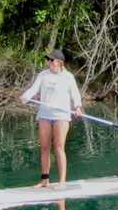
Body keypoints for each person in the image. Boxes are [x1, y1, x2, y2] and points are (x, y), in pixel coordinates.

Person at [19, 49, 83, 188]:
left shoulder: (68, 77)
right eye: (48, 60)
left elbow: (75, 94)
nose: (49, 62)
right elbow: (33, 89)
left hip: (61, 116)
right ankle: (44, 180)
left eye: (52, 60)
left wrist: (77, 107)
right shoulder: (43, 75)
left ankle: (62, 182)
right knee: (44, 148)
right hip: (45, 115)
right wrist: (26, 96)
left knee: (59, 147)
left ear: (60, 62)